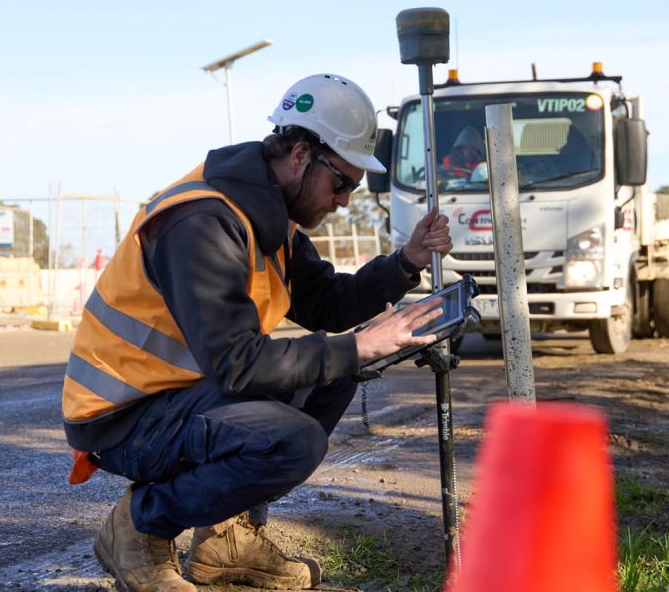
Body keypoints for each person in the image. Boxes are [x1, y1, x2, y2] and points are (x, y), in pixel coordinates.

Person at [61, 73, 453, 591]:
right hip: (123, 416)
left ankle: (227, 541)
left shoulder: (270, 219)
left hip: (179, 396)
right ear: (299, 154)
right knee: (293, 440)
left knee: (337, 371)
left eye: (354, 189)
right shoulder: (202, 222)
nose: (342, 201)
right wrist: (358, 345)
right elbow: (237, 363)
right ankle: (140, 524)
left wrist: (406, 262)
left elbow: (327, 304)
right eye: (341, 184)